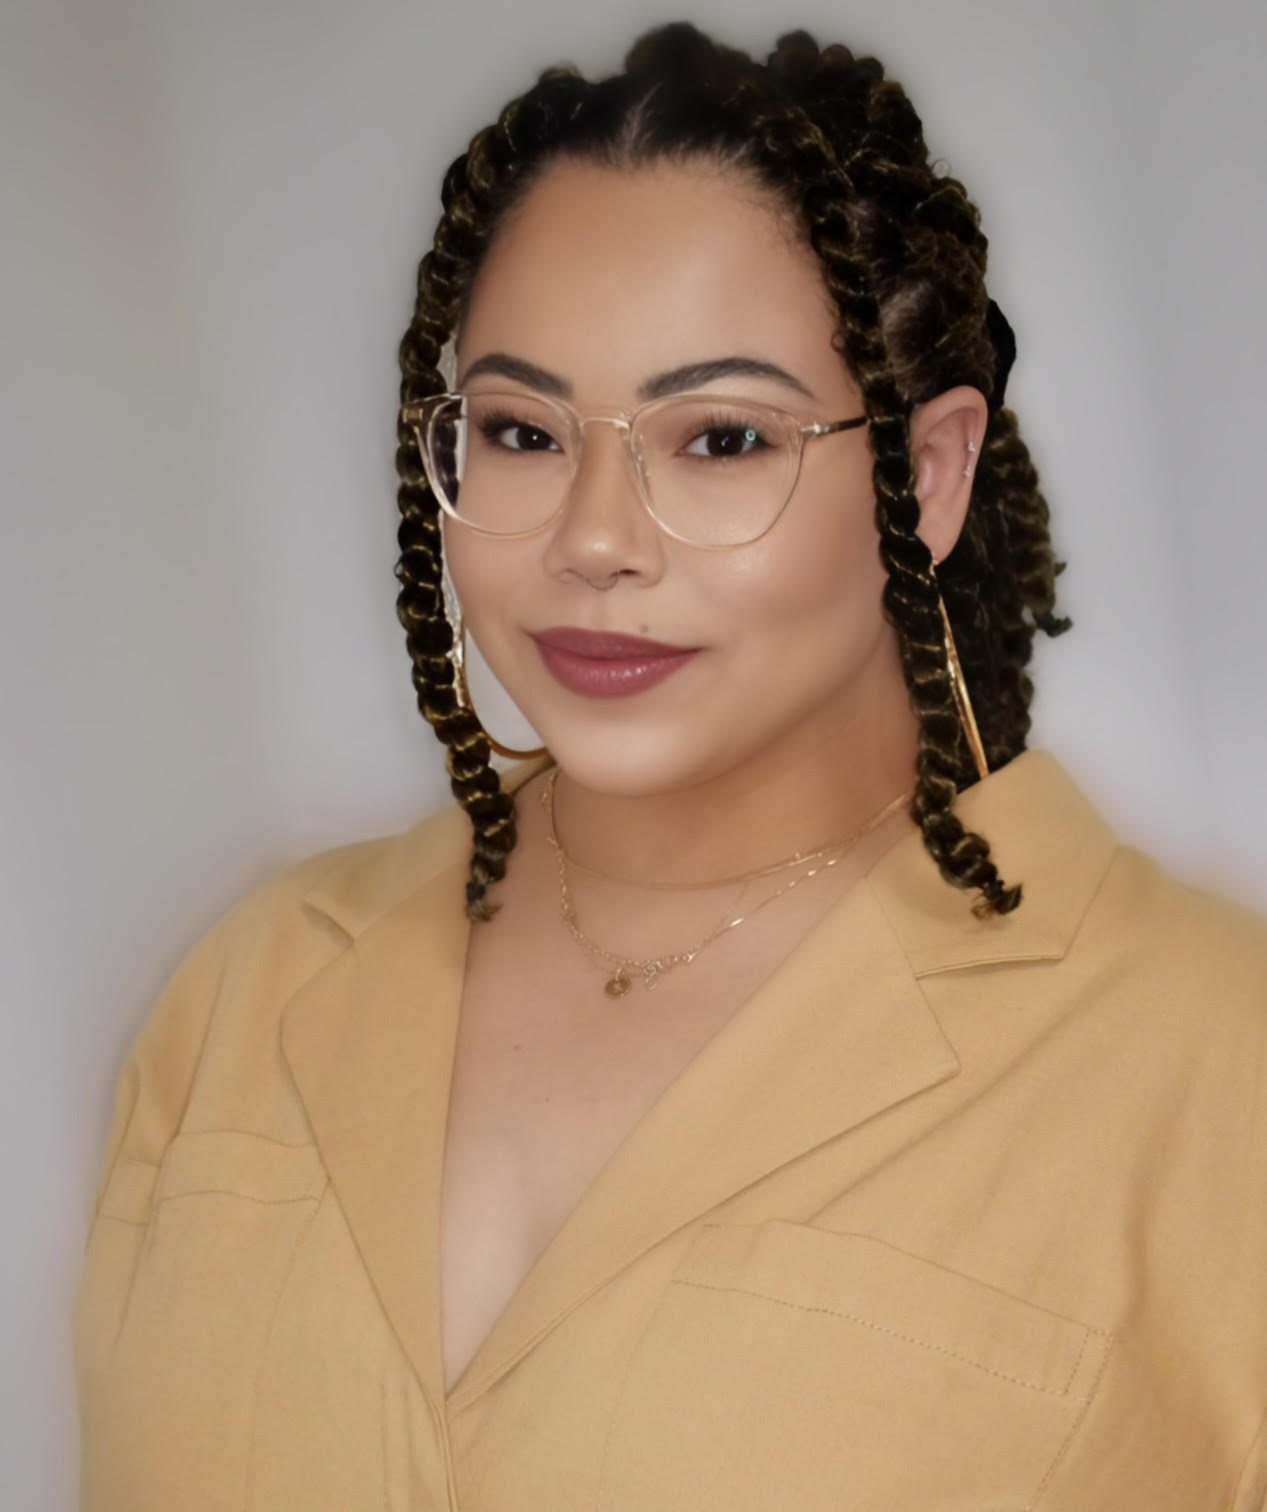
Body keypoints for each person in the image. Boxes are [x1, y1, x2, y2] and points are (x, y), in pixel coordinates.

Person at [73, 21, 1267, 1512]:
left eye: (719, 440)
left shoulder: (1220, 1073)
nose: (591, 539)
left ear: (932, 474)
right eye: (518, 429)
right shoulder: (245, 996)